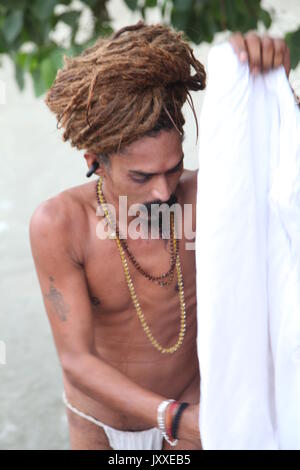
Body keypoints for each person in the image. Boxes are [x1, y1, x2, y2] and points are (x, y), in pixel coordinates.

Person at [29, 22, 291, 450]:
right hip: (102, 426)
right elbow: (76, 361)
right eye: (141, 176)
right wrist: (171, 417)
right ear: (94, 160)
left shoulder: (209, 199)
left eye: (174, 168)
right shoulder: (60, 223)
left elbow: (280, 168)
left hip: (192, 418)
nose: (163, 191)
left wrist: (268, 80)